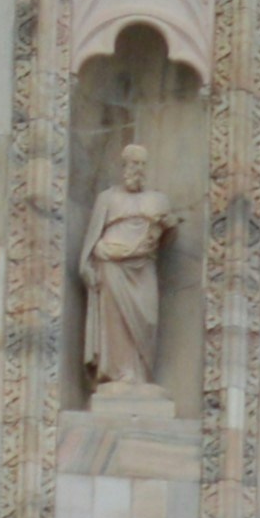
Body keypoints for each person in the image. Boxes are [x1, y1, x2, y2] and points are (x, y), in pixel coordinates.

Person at [79, 144, 175, 394]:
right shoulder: (107, 198)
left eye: (142, 164)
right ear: (124, 167)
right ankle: (120, 373)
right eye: (133, 163)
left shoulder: (158, 200)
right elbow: (92, 238)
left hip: (143, 266)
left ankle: (141, 375)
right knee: (116, 320)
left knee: (147, 318)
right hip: (111, 264)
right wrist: (88, 264)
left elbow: (167, 240)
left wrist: (167, 227)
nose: (138, 169)